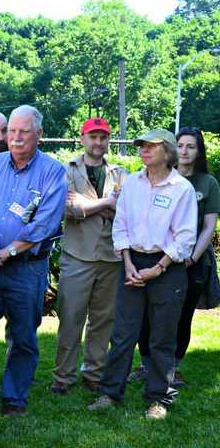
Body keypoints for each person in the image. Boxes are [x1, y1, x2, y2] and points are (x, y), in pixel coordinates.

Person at [87, 129, 197, 421]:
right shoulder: (133, 184)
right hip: (132, 263)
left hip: (167, 267)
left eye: (151, 146)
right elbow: (120, 224)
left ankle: (159, 398)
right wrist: (128, 263)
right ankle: (110, 393)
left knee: (162, 337)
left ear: (168, 152)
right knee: (122, 335)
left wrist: (157, 268)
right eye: (142, 146)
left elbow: (185, 238)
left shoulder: (181, 188)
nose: (144, 150)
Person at [0, 105, 67, 416]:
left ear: (39, 134)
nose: (16, 137)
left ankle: (14, 397)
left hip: (26, 270)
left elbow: (46, 223)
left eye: (24, 131)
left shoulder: (53, 172)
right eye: (12, 130)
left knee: (23, 338)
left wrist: (8, 251)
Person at [128, 127, 220, 388]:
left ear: (199, 151)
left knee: (180, 317)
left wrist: (191, 258)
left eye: (191, 146)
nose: (184, 151)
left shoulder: (207, 183)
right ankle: (146, 364)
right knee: (147, 315)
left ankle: (172, 366)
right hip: (155, 259)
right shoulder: (157, 177)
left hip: (191, 263)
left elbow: (208, 227)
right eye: (180, 145)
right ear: (172, 148)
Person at [51, 118, 128, 394]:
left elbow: (126, 210)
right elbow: (67, 209)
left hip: (110, 256)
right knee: (70, 318)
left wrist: (87, 206)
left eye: (103, 138)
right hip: (77, 255)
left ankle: (94, 374)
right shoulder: (67, 171)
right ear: (82, 138)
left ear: (108, 141)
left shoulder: (120, 173)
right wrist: (108, 203)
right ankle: (63, 378)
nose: (98, 143)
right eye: (93, 137)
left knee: (103, 321)